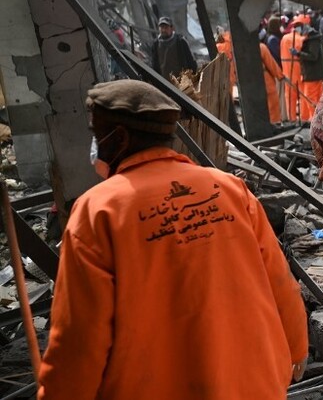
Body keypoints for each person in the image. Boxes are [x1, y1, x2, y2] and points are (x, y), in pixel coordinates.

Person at [37, 79, 308, 400]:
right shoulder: (231, 190)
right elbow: (280, 284)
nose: (95, 145)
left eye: (98, 135)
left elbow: (80, 339)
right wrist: (296, 351)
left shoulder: (98, 211)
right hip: (254, 387)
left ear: (120, 138)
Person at [294, 19, 323, 121]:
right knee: (317, 97)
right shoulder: (314, 38)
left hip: (313, 74)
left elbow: (313, 56)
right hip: (315, 73)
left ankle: (315, 119)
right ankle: (319, 119)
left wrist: (298, 53)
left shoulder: (312, 39)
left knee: (310, 97)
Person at [280, 16, 307, 121]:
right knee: (303, 95)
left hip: (286, 70)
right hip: (299, 70)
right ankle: (304, 117)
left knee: (290, 95)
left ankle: (291, 118)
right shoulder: (302, 39)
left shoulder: (284, 38)